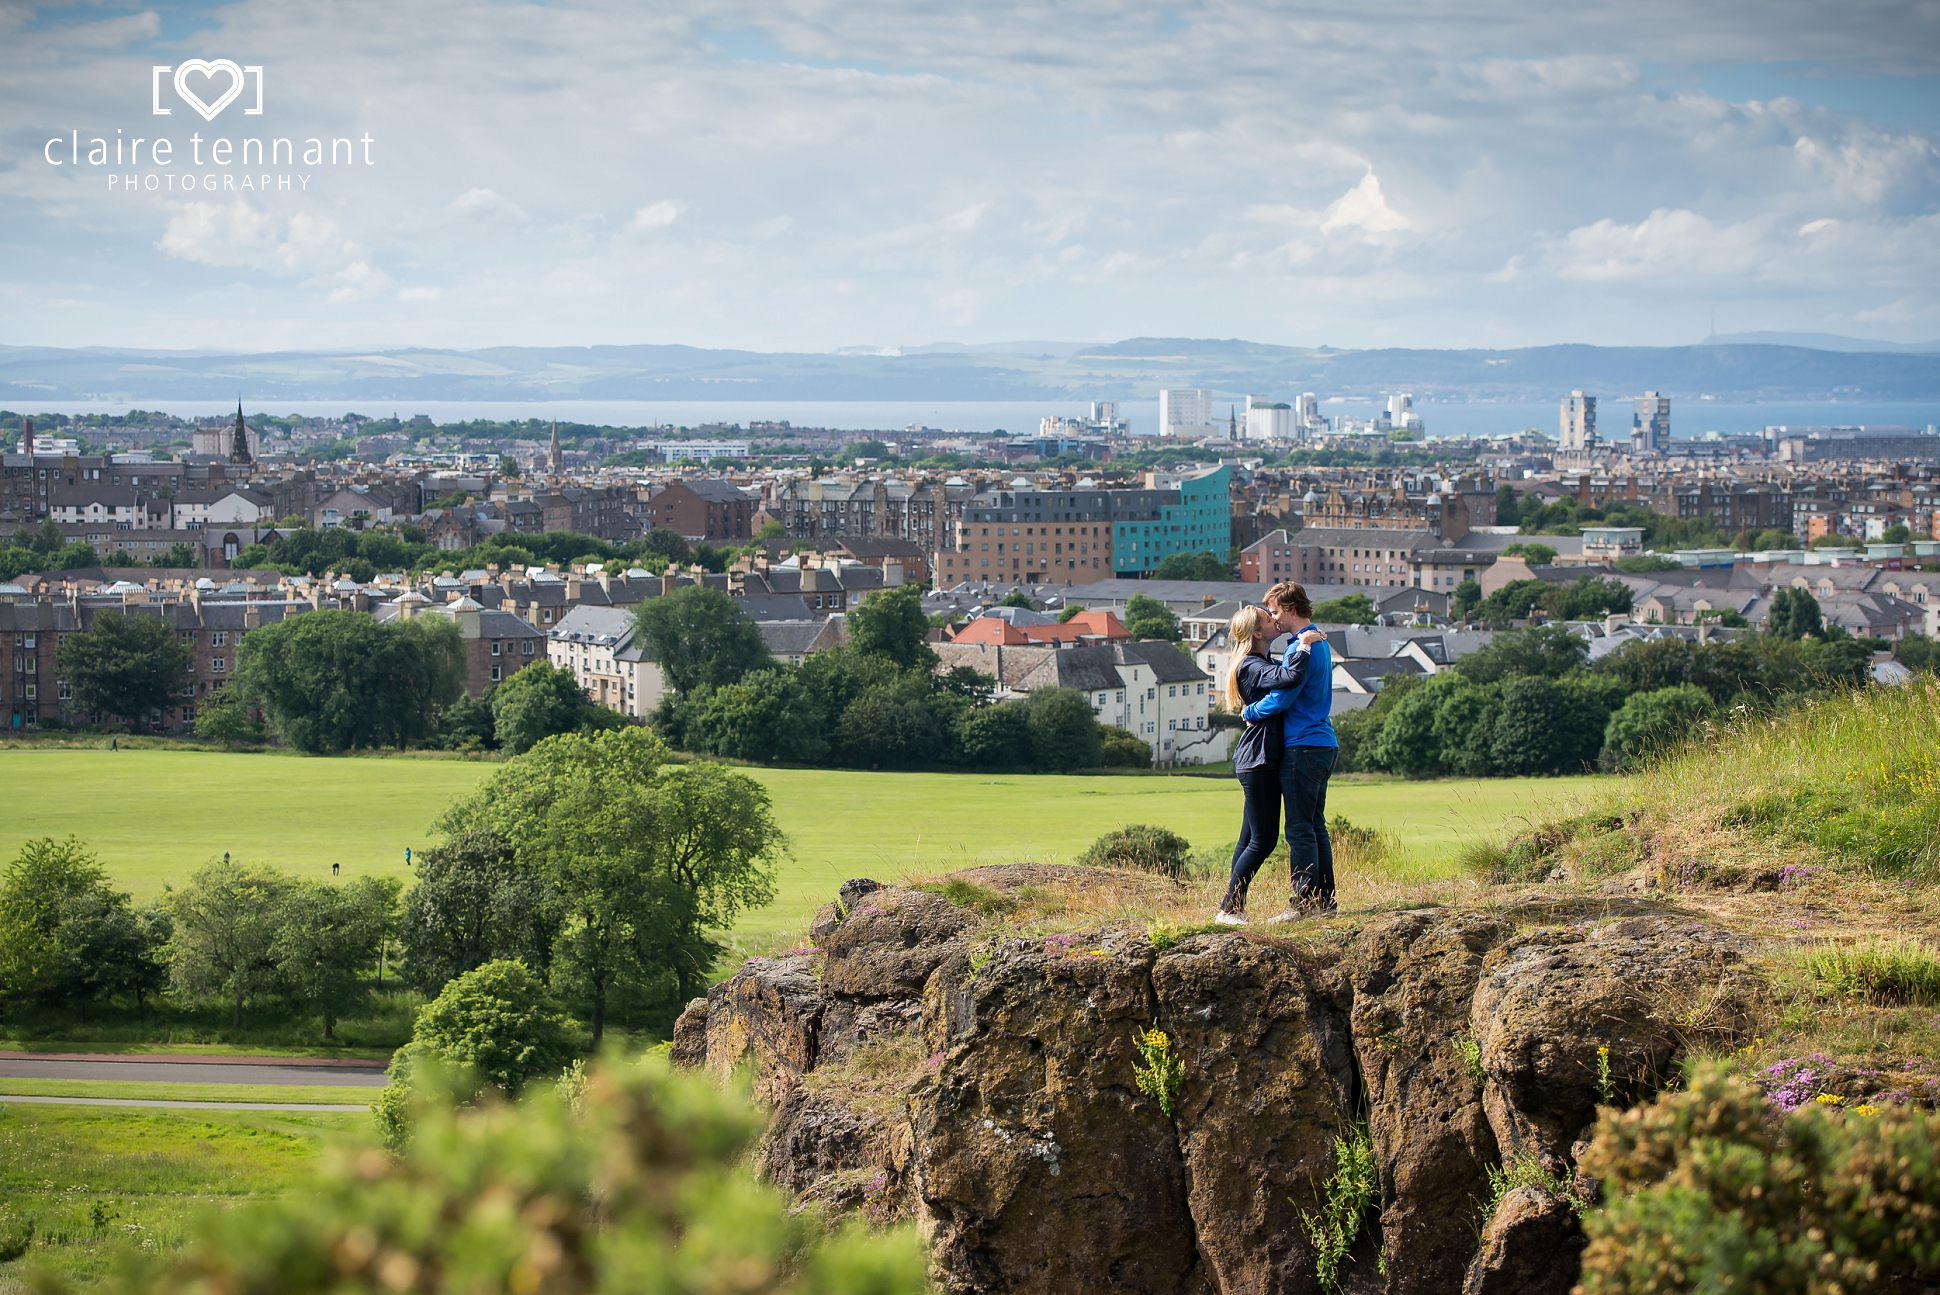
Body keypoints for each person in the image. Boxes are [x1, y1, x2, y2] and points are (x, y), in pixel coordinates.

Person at [1215, 605, 1326, 925]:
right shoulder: (1251, 665)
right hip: (1259, 759)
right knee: (1263, 840)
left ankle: (1232, 907)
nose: (1274, 620)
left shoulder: (1259, 662)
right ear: (1257, 633)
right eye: (1268, 619)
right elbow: (1290, 677)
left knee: (1249, 838)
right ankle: (1228, 909)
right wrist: (1304, 645)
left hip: (1259, 758)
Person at [1242, 582, 1340, 919]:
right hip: (1324, 743)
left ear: (1291, 609)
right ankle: (1325, 902)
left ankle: (1304, 904)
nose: (1273, 617)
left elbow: (1284, 695)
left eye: (1275, 610)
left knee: (1299, 828)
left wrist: (1250, 712)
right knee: (1315, 825)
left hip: (1302, 746)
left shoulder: (1302, 646)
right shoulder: (1319, 642)